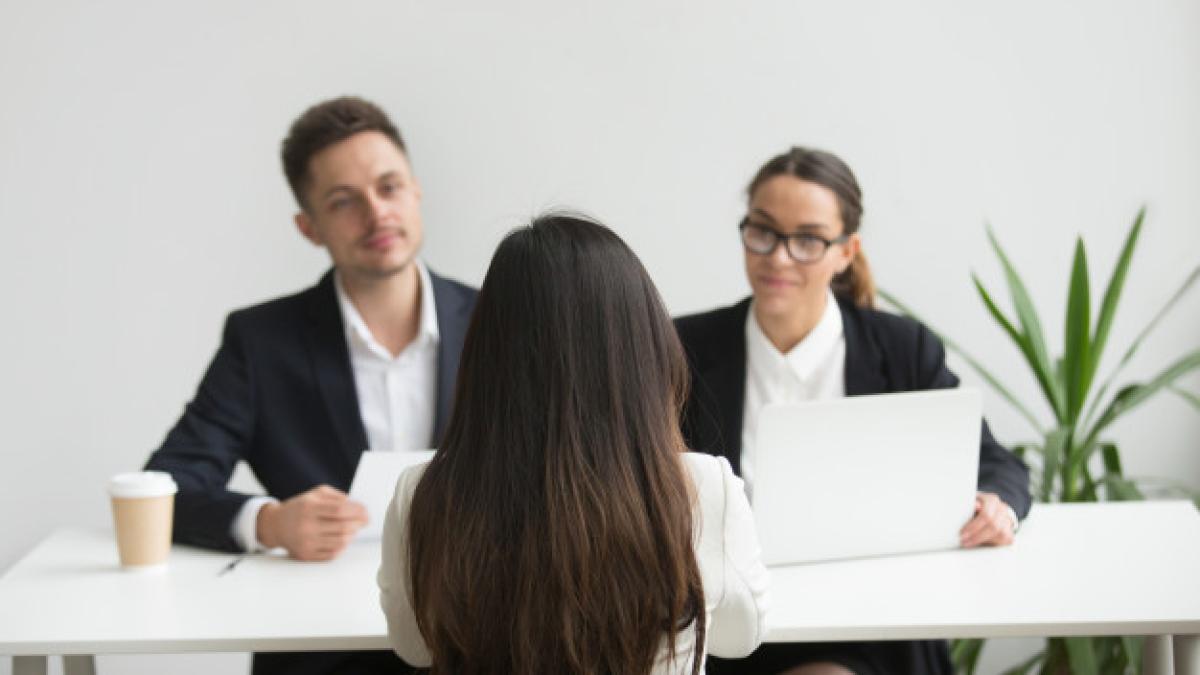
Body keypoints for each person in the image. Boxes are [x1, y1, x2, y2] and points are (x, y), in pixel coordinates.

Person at [145, 96, 475, 675]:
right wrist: (269, 523)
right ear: (309, 227)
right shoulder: (260, 340)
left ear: (416, 191)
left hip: (477, 636)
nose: (376, 215)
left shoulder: (497, 321)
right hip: (321, 647)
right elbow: (166, 485)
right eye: (344, 202)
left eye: (389, 187)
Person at [676, 147, 1032, 675]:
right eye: (763, 232)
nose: (778, 257)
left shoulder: (903, 350)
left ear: (846, 252)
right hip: (735, 629)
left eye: (807, 240)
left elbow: (996, 463)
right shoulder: (685, 347)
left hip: (875, 626)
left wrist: (997, 507)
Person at [377, 214, 770, 675]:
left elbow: (413, 645)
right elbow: (742, 638)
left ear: (486, 354)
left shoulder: (422, 491)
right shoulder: (703, 487)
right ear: (643, 349)